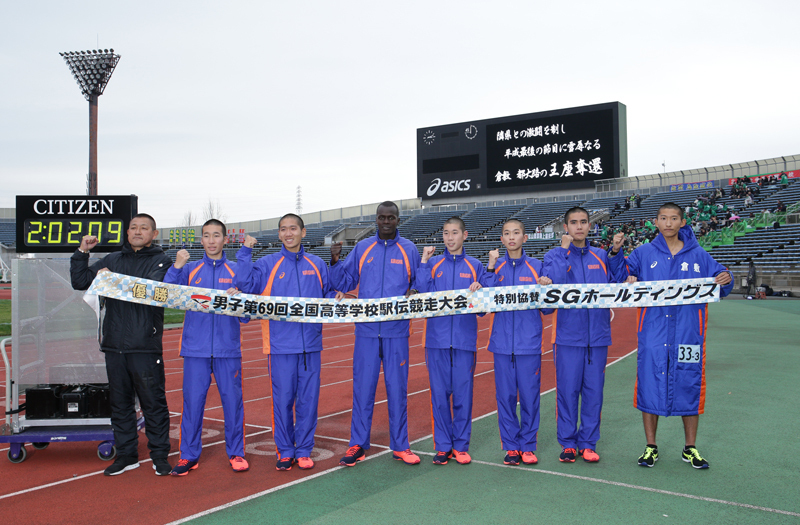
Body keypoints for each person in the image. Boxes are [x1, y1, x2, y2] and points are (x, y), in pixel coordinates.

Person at [613, 203, 733, 469]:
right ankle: (650, 446)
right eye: (663, 218)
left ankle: (690, 447)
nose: (668, 223)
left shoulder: (699, 255)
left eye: (674, 218)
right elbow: (620, 275)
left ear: (682, 222)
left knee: (689, 383)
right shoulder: (643, 253)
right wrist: (622, 264)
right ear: (655, 222)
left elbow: (721, 279)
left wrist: (727, 278)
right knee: (649, 382)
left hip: (688, 335)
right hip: (653, 334)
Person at [70, 214, 173, 476]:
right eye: (133, 227)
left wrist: (111, 281)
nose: (138, 232)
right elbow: (80, 282)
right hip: (114, 345)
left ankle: (160, 455)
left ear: (154, 233)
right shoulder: (111, 260)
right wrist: (83, 252)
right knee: (120, 404)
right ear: (127, 232)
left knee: (153, 403)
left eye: (144, 228)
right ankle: (127, 455)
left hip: (145, 346)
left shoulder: (162, 260)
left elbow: (147, 290)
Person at [235, 214, 340, 471]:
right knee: (282, 401)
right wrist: (245, 252)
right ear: (279, 234)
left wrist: (335, 297)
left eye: (293, 228)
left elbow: (326, 294)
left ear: (303, 232)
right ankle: (285, 450)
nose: (288, 233)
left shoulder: (316, 264)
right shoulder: (267, 264)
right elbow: (246, 285)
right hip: (280, 346)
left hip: (310, 346)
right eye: (283, 229)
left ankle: (303, 449)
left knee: (308, 401)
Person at [329, 201, 422, 466]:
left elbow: (418, 282)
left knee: (397, 389)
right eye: (381, 217)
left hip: (396, 332)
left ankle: (401, 445)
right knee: (363, 389)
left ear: (398, 220)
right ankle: (357, 444)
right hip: (367, 332)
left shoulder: (409, 249)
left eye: (391, 217)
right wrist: (335, 261)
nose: (385, 222)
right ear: (376, 219)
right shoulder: (362, 248)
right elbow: (345, 282)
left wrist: (413, 293)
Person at [164, 219, 249, 476]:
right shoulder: (189, 269)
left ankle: (236, 453)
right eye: (206, 236)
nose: (211, 240)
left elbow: (246, 315)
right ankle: (189, 455)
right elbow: (168, 295)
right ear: (201, 240)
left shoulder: (237, 270)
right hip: (195, 350)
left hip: (227, 350)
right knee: (192, 404)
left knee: (233, 403)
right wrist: (176, 266)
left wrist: (239, 299)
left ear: (225, 239)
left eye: (216, 235)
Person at [543, 207, 627, 463]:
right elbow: (550, 294)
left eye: (583, 222)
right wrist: (563, 252)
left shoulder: (602, 255)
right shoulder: (553, 256)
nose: (578, 227)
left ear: (590, 225)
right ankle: (568, 443)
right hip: (568, 337)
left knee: (593, 392)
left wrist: (615, 252)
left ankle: (588, 442)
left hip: (598, 337)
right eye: (573, 223)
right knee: (567, 392)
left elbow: (618, 283)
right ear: (565, 228)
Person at [483, 219, 561, 466]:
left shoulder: (538, 266)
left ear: (525, 238)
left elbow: (548, 310)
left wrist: (546, 288)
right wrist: (490, 267)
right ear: (502, 240)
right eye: (507, 233)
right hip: (502, 345)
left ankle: (527, 445)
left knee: (529, 398)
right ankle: (510, 447)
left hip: (529, 345)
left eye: (516, 233)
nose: (512, 237)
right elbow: (486, 302)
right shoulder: (496, 268)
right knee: (505, 398)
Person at [416, 217, 491, 465]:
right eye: (446, 233)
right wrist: (424, 261)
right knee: (439, 396)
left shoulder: (475, 266)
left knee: (462, 396)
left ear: (465, 235)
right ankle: (443, 446)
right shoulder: (434, 264)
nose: (449, 238)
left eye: (455, 232)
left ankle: (460, 445)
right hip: (436, 342)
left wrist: (479, 291)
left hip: (463, 341)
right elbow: (423, 294)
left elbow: (483, 310)